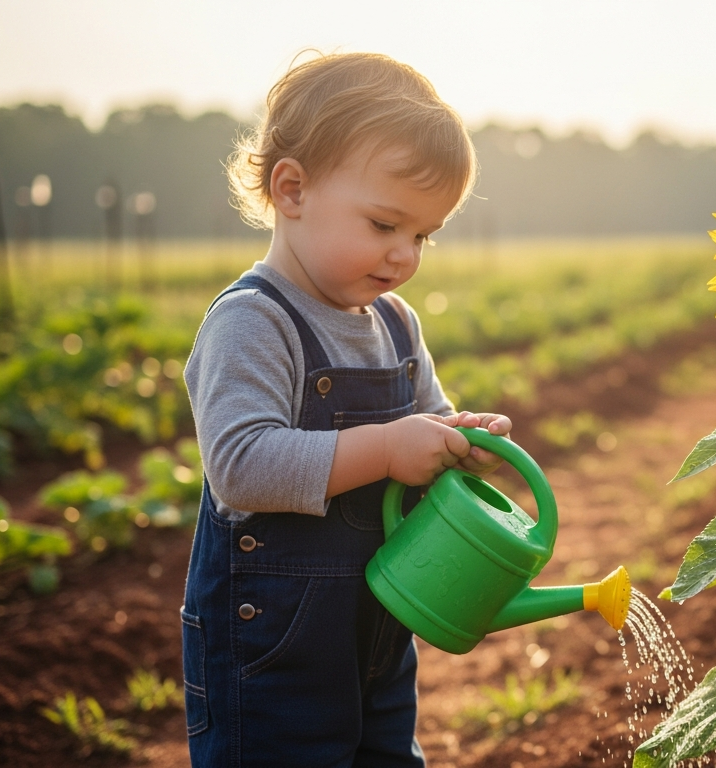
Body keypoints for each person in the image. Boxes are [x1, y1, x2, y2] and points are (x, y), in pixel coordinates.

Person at [181, 52, 507, 767]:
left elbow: (427, 426)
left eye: (423, 235)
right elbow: (241, 467)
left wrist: (459, 446)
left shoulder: (393, 324)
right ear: (292, 190)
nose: (404, 256)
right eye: (385, 224)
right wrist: (388, 450)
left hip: (377, 636)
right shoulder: (252, 323)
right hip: (269, 655)